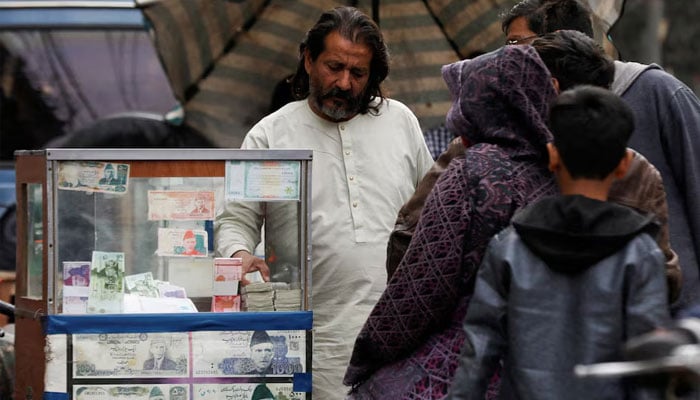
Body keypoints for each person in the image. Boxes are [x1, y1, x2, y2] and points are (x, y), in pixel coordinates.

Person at [214, 6, 433, 399]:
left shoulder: (401, 121)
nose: (345, 83)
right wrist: (241, 252)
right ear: (309, 59)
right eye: (334, 67)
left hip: (400, 332)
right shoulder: (271, 136)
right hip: (317, 339)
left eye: (358, 73)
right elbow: (235, 219)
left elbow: (432, 209)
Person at [385, 29, 682, 305]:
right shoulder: (633, 168)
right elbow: (663, 281)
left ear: (545, 87)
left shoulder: (474, 152)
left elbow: (407, 245)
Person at [344, 45, 558, 398]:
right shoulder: (564, 169)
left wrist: (371, 352)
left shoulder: (472, 172)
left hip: (468, 366)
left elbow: (422, 286)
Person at [447, 85, 671, 399]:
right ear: (624, 164)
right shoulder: (640, 252)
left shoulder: (510, 246)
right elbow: (648, 367)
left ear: (552, 156)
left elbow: (478, 352)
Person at [501, 0, 700, 313]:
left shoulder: (657, 92)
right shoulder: (533, 122)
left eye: (518, 44)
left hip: (677, 308)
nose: (511, 58)